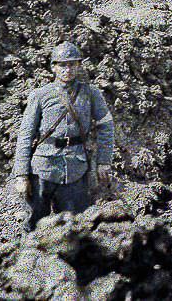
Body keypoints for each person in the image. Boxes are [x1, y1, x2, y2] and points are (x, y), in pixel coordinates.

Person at [13, 41, 115, 231]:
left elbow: (106, 126)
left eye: (72, 64)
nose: (67, 69)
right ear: (53, 67)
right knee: (33, 224)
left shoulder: (91, 93)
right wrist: (21, 175)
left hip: (75, 168)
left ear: (79, 66)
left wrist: (104, 161)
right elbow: (25, 135)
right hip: (43, 168)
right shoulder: (40, 95)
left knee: (76, 226)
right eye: (62, 64)